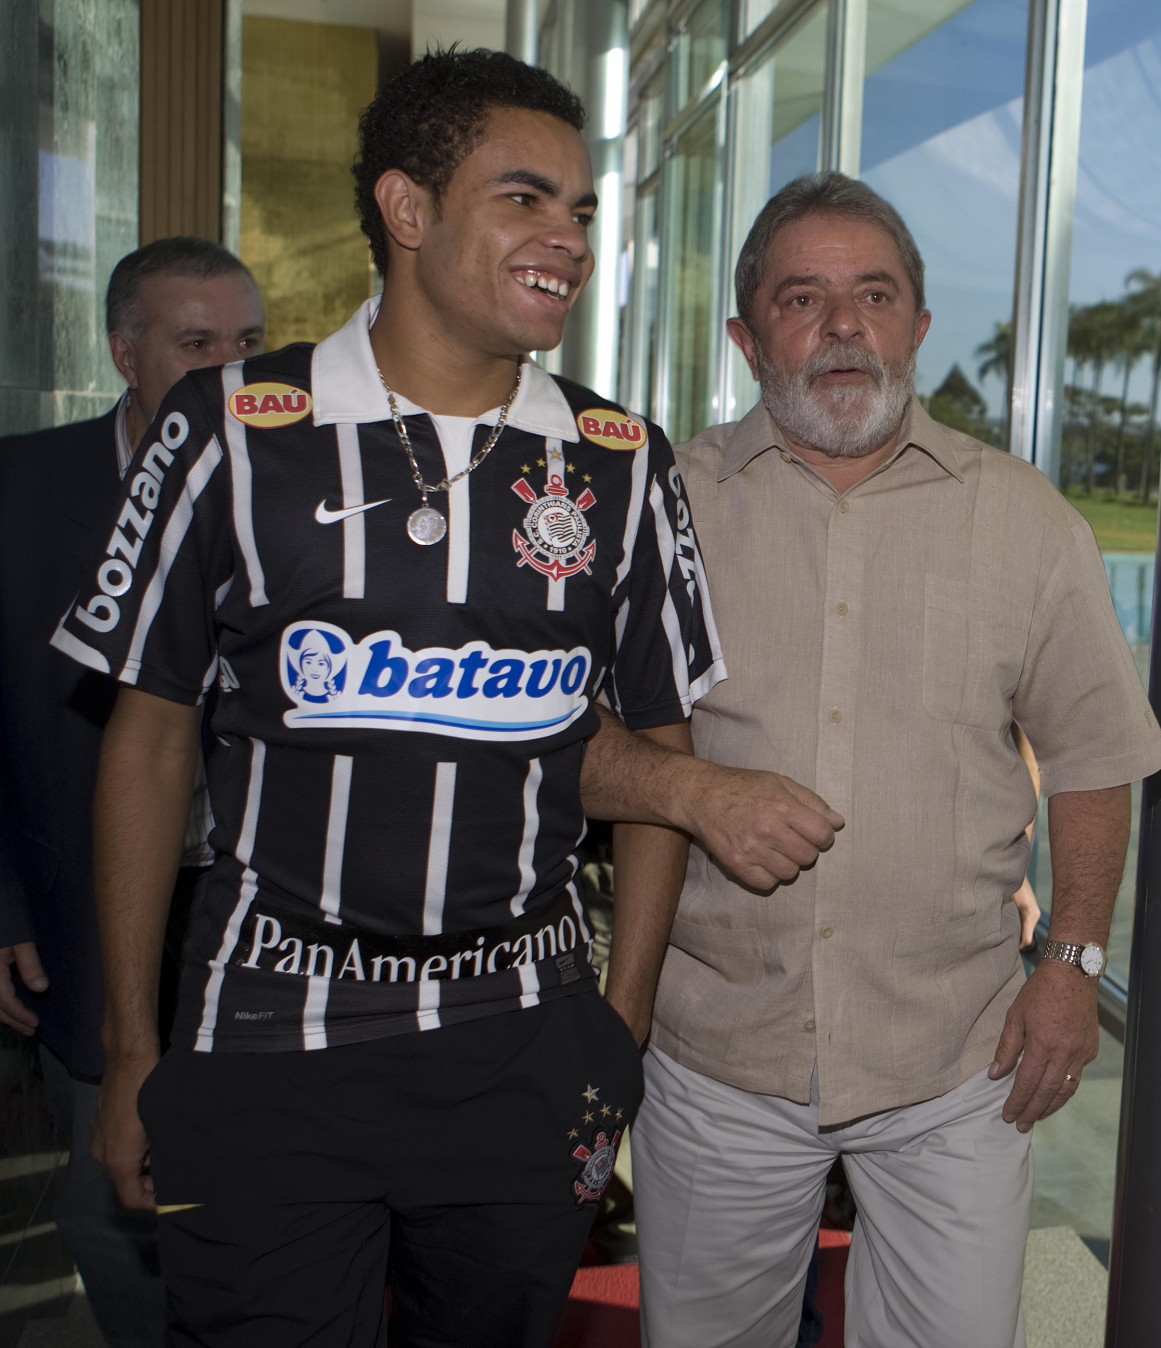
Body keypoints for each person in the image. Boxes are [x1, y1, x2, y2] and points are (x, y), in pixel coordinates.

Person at [52, 50, 844, 1348]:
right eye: (524, 199)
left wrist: (619, 1032)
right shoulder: (232, 433)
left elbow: (658, 748)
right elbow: (145, 746)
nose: (567, 239)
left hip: (522, 1050)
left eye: (583, 211)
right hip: (266, 1033)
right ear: (407, 211)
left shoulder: (618, 463)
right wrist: (134, 1047)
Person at [625, 172, 1161, 1348]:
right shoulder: (665, 508)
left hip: (959, 1063)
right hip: (719, 1052)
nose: (842, 326)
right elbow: (579, 739)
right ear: (744, 333)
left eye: (874, 294)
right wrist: (696, 790)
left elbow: (1092, 753)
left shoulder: (1026, 519)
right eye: (801, 297)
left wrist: (1071, 962)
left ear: (919, 326)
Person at [0, 236, 264, 1346]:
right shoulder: (20, 488)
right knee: (112, 1193)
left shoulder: (299, 479)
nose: (230, 369)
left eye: (248, 342)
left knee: (253, 1190)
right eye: (196, 343)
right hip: (88, 909)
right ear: (124, 354)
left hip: (255, 913)